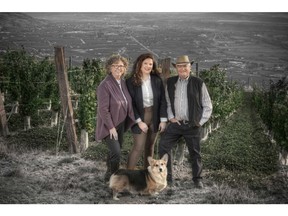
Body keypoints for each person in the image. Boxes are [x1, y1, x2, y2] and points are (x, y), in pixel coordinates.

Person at [158, 55, 212, 188]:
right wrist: (171, 118)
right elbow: (168, 102)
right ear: (176, 68)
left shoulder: (198, 83)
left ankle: (197, 179)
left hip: (192, 125)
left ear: (190, 67)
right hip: (176, 124)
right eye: (179, 66)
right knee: (163, 146)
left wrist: (200, 122)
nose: (182, 68)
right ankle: (168, 178)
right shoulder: (170, 82)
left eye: (185, 66)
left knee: (195, 153)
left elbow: (208, 105)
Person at [95, 54, 135, 182]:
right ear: (109, 68)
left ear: (125, 68)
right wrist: (111, 127)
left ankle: (108, 174)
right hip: (109, 125)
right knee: (116, 152)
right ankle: (115, 179)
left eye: (121, 66)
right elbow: (103, 109)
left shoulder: (122, 83)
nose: (119, 68)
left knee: (115, 152)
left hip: (121, 123)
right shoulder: (105, 85)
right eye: (115, 66)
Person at [126, 53, 167, 169]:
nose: (148, 66)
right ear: (139, 64)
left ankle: (147, 174)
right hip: (139, 116)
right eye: (145, 63)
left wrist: (163, 120)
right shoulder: (130, 82)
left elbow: (163, 100)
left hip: (155, 116)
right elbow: (131, 104)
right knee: (138, 147)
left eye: (150, 64)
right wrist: (139, 121)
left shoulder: (157, 80)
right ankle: (128, 176)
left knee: (150, 146)